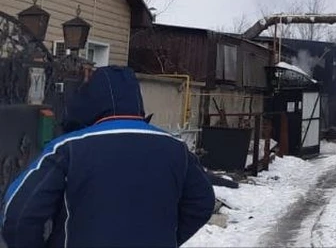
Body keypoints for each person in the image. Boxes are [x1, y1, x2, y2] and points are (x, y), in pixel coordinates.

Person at [1, 65, 215, 248]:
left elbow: (19, 215)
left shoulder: (69, 148)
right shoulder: (176, 149)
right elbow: (202, 203)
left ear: (88, 102)